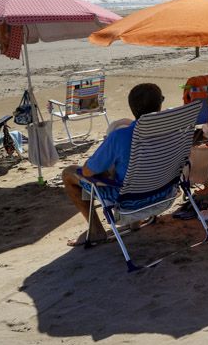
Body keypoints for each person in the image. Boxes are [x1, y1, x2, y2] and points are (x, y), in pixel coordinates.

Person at [62, 83, 164, 247]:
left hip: (129, 202)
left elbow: (88, 171)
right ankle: (136, 222)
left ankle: (96, 231)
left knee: (69, 172)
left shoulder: (120, 136)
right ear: (160, 104)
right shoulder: (173, 130)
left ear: (132, 109)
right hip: (164, 194)